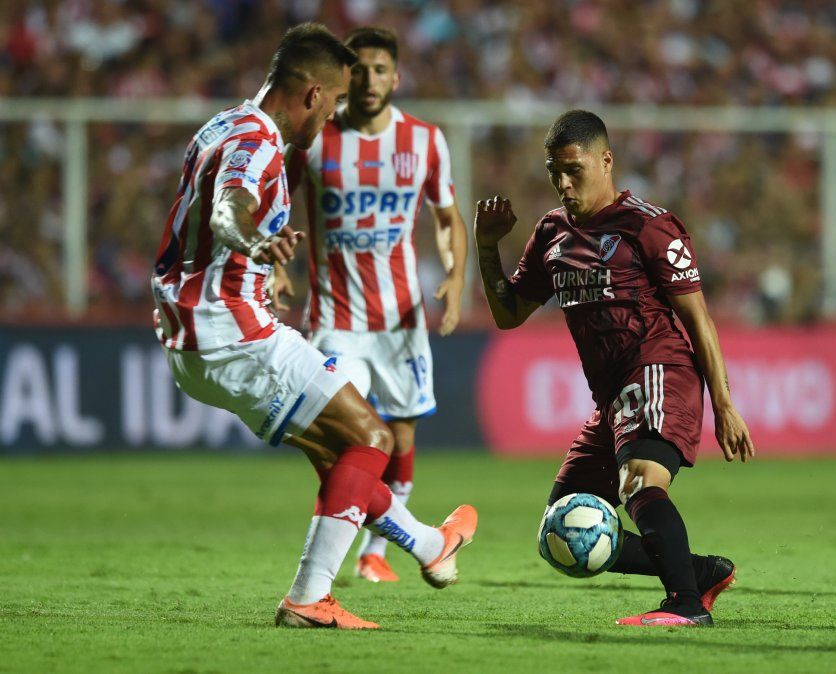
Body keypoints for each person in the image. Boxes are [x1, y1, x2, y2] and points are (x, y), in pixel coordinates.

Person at [150, 23, 476, 631]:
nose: (330, 121)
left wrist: (256, 243)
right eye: (330, 105)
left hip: (194, 338)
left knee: (339, 450)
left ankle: (431, 546)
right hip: (232, 330)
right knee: (373, 438)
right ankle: (307, 597)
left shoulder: (223, 123)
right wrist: (256, 236)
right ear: (310, 94)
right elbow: (230, 208)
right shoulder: (261, 144)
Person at [473, 110, 754, 627]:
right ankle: (700, 574)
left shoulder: (647, 225)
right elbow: (509, 313)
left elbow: (699, 319)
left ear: (606, 161)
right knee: (559, 530)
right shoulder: (552, 232)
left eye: (574, 170)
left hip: (658, 372)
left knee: (640, 482)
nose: (563, 184)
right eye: (554, 172)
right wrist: (487, 247)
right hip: (612, 400)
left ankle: (687, 606)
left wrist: (725, 405)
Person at [282, 26, 468, 583]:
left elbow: (446, 218)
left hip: (400, 319)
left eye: (379, 69)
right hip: (334, 322)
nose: (368, 79)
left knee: (403, 436)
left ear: (396, 77)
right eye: (358, 69)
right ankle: (408, 542)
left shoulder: (425, 141)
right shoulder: (314, 138)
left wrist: (457, 276)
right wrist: (270, 267)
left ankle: (376, 554)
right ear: (345, 75)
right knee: (345, 440)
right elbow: (275, 206)